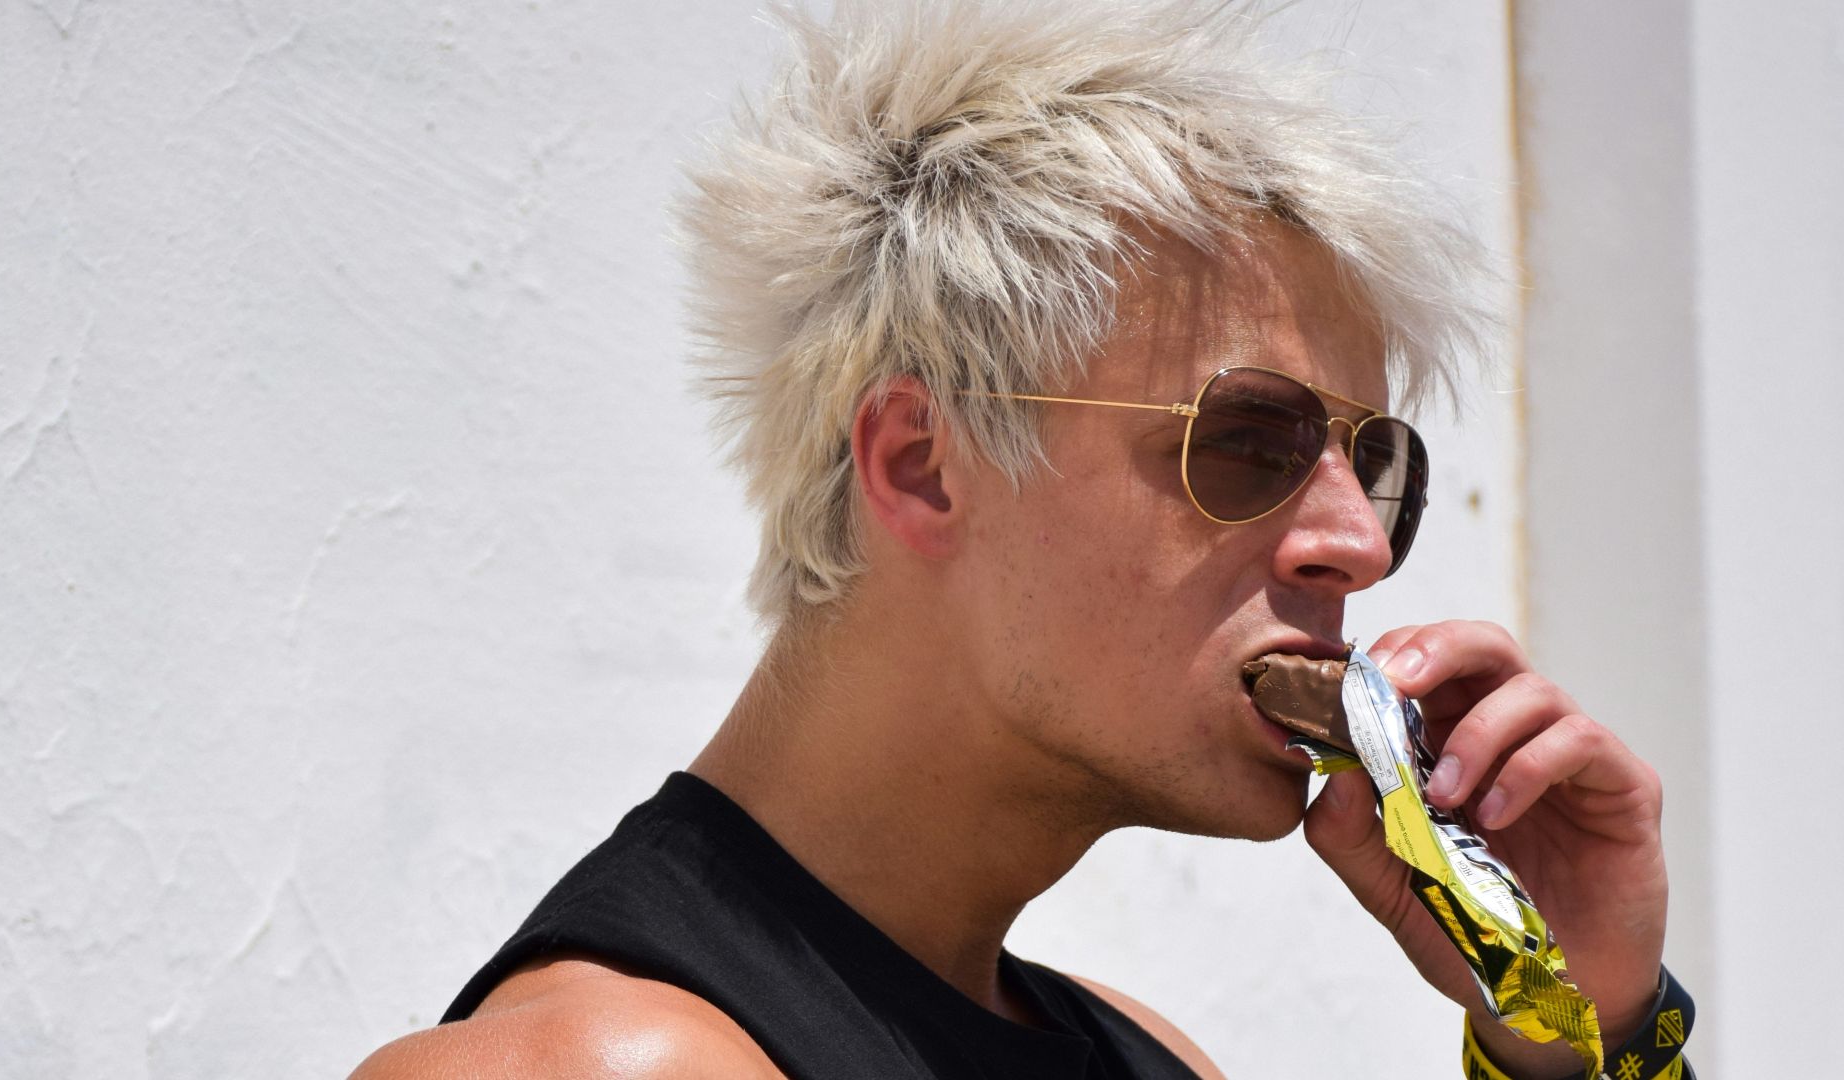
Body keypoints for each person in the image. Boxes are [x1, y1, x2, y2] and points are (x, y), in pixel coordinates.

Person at [353, 2, 1682, 1077]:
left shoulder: (1148, 1057)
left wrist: (1574, 1029)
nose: (1357, 544)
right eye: (1248, 440)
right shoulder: (606, 1065)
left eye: (1376, 463)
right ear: (923, 465)